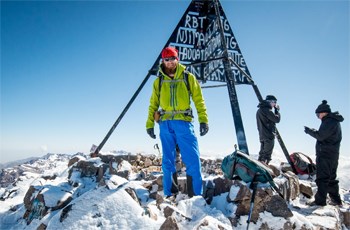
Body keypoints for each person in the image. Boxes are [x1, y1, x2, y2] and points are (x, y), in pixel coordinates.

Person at [146, 47, 209, 197]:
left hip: (184, 123)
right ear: (163, 61)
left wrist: (203, 120)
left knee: (192, 159)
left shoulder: (188, 77)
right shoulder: (159, 81)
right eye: (166, 60)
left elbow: (199, 100)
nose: (170, 62)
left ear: (177, 59)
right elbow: (153, 104)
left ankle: (195, 196)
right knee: (168, 161)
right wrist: (149, 124)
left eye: (172, 59)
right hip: (165, 123)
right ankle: (170, 194)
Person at [304, 100, 344, 206]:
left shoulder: (329, 121)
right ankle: (336, 200)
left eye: (318, 114)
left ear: (323, 112)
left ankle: (320, 201)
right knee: (331, 178)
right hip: (333, 154)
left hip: (325, 155)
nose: (318, 117)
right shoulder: (334, 121)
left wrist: (309, 131)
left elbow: (320, 136)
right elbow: (324, 135)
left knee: (322, 178)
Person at [256, 95, 281, 164]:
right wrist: (277, 111)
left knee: (262, 155)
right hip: (268, 136)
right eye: (274, 102)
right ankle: (262, 171)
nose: (275, 104)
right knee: (266, 156)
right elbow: (276, 119)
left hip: (262, 135)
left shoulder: (260, 110)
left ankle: (258, 171)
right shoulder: (267, 110)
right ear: (270, 101)